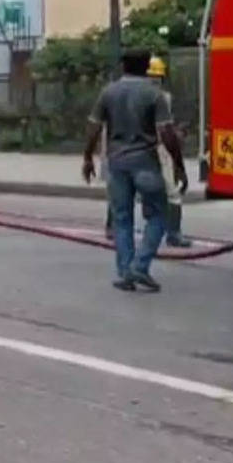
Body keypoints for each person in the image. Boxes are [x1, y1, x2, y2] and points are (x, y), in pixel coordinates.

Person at [83, 49, 188, 293]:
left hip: (117, 162)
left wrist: (88, 157)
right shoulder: (154, 94)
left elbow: (94, 127)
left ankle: (125, 271)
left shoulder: (109, 92)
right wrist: (179, 166)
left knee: (122, 219)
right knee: (159, 214)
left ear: (123, 67)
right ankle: (140, 265)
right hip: (145, 161)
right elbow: (167, 133)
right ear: (146, 68)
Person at [147, 57, 193, 248]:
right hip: (152, 148)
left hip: (155, 148)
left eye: (157, 78)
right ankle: (173, 233)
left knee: (171, 192)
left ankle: (173, 233)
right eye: (152, 78)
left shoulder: (162, 98)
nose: (154, 82)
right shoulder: (161, 98)